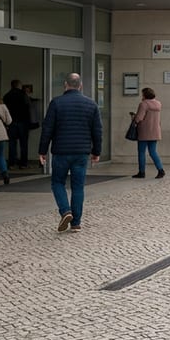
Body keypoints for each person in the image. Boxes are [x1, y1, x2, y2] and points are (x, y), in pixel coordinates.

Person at [38, 73, 102, 233]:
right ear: (80, 86)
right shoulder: (91, 104)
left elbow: (47, 129)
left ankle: (66, 211)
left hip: (61, 151)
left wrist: (42, 151)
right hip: (81, 152)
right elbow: (97, 131)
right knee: (78, 187)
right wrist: (96, 152)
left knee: (57, 183)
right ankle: (76, 223)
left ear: (65, 85)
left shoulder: (56, 103)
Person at [132, 87, 165, 179]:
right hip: (155, 131)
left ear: (145, 95)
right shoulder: (158, 104)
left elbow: (139, 118)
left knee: (141, 152)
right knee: (153, 152)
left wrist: (134, 117)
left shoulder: (143, 104)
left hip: (144, 131)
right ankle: (160, 169)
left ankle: (141, 172)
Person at [3, 80, 32, 169]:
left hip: (11, 122)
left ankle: (12, 163)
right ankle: (23, 163)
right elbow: (28, 107)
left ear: (11, 86)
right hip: (23, 121)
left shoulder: (7, 96)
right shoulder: (24, 95)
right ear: (19, 86)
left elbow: (5, 110)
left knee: (12, 143)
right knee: (23, 144)